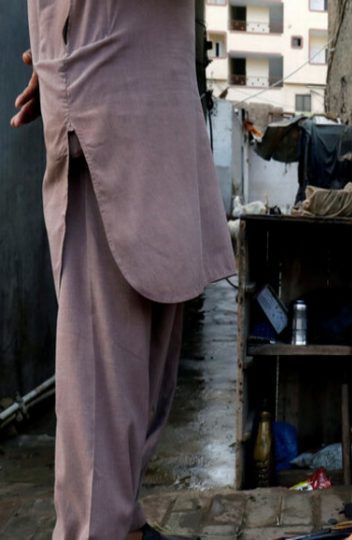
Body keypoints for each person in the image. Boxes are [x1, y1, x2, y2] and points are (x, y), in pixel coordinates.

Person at [11, 2, 235, 539]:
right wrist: (60, 57)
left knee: (135, 411)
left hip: (149, 122)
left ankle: (124, 526)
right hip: (108, 133)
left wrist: (58, 52)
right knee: (101, 449)